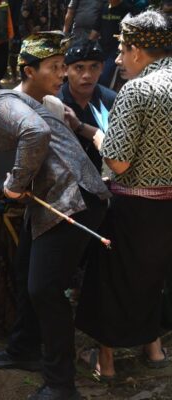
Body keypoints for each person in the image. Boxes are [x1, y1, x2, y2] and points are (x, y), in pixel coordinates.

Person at [0, 67, 111, 400]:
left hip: (72, 198)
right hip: (53, 201)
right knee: (26, 269)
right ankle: (24, 348)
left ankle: (61, 384)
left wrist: (15, 182)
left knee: (45, 289)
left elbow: (35, 132)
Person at [75, 10, 172, 381]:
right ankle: (155, 350)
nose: (117, 60)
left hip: (132, 204)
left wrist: (94, 133)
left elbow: (117, 161)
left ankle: (107, 362)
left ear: (137, 51)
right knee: (152, 276)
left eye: (120, 50)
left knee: (109, 280)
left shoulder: (137, 90)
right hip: (168, 207)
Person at [57, 38, 117, 173]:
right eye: (79, 67)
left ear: (102, 67)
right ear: (65, 69)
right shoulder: (54, 102)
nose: (87, 75)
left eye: (94, 66)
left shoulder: (111, 101)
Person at [89, 0, 133, 88]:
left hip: (116, 51)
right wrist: (88, 44)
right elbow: (96, 29)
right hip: (101, 47)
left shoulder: (127, 9)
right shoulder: (104, 7)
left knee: (105, 77)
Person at [0, 0, 14, 88]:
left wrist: (11, 34)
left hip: (4, 40)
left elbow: (8, 20)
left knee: (2, 64)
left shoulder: (4, 4)